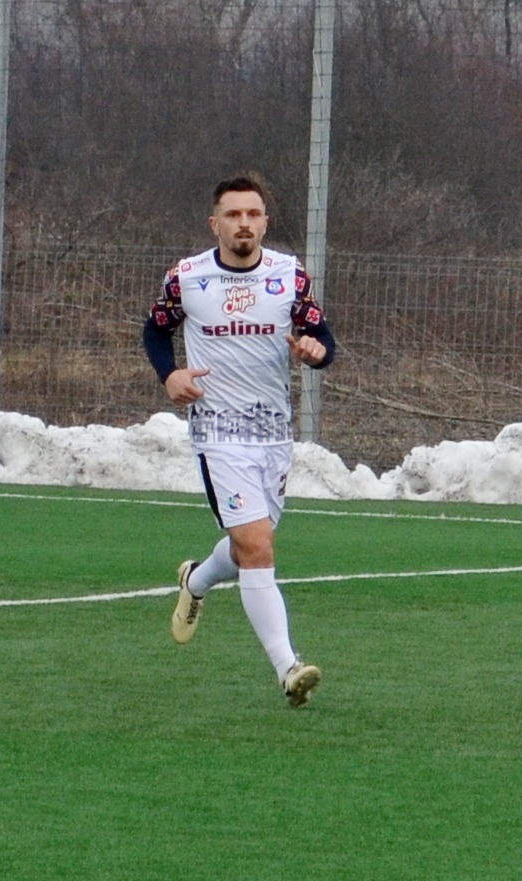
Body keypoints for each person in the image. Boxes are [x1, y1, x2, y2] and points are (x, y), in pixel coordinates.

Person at [149, 173, 336, 705]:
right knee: (256, 547)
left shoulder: (288, 276)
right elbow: (155, 329)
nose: (244, 223)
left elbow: (321, 336)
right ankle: (288, 668)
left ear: (265, 223)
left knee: (246, 547)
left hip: (273, 433)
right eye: (233, 215)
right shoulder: (187, 278)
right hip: (217, 432)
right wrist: (170, 375)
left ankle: (195, 581)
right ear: (215, 224)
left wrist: (317, 352)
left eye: (253, 214)